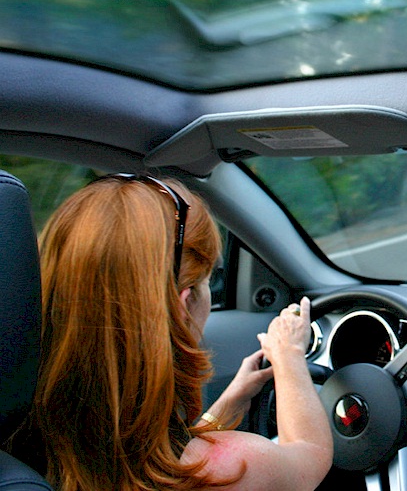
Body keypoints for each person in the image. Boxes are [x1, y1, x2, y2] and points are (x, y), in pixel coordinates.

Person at [11, 174, 332, 490]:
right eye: (209, 279)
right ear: (184, 303)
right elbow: (309, 455)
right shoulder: (222, 471)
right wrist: (289, 353)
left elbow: (141, 453)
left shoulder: (22, 437)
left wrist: (219, 413)